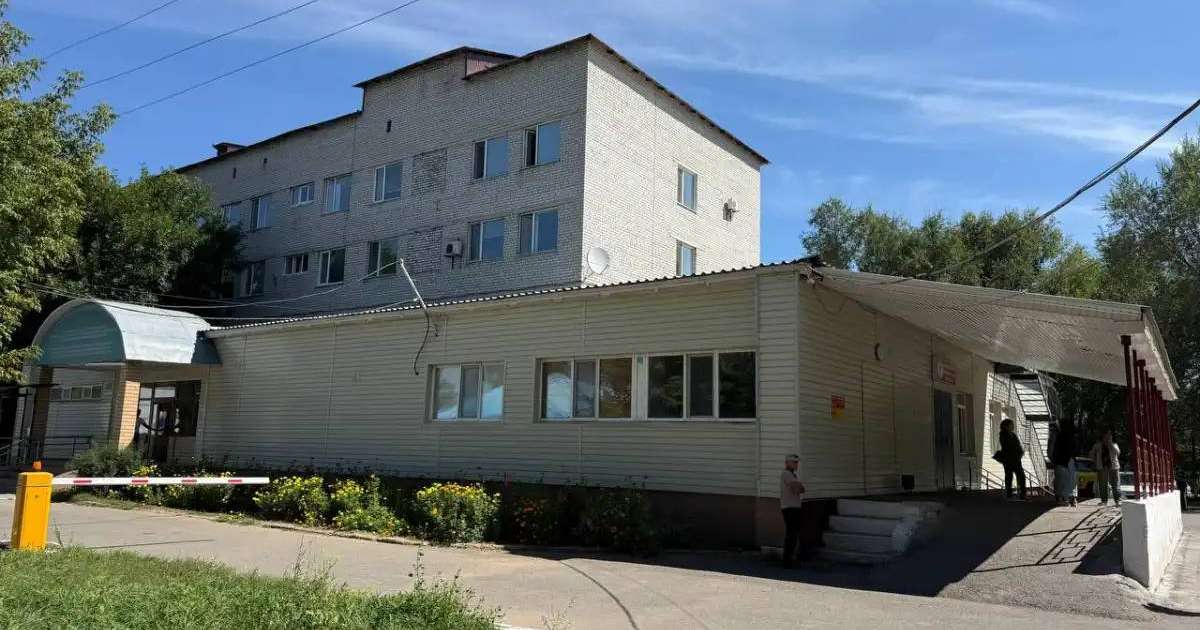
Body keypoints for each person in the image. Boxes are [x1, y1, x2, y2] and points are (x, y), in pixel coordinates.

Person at [780, 454, 806, 568]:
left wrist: (799, 486)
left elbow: (802, 489)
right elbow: (797, 489)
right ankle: (787, 560)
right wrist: (799, 486)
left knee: (793, 534)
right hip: (789, 508)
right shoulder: (786, 474)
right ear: (787, 463)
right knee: (791, 534)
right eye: (794, 462)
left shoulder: (793, 475)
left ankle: (790, 558)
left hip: (794, 507)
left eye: (797, 462)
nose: (796, 464)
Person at [1088, 430, 1121, 506]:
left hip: (1114, 467)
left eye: (1109, 436)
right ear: (1102, 437)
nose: (1108, 438)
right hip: (1102, 467)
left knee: (1115, 484)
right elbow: (1091, 454)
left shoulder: (1114, 444)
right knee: (1103, 484)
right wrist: (1095, 461)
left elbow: (1118, 453)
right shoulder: (1097, 445)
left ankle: (1118, 500)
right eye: (1106, 436)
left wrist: (1110, 445)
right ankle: (1104, 501)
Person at [1051, 419, 1078, 506]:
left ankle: (1063, 498)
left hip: (1061, 460)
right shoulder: (1072, 436)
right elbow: (1074, 449)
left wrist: (1053, 458)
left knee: (1061, 479)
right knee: (1070, 479)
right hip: (1069, 460)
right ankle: (1070, 498)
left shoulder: (1058, 436)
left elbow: (1054, 448)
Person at [997, 419, 1026, 500]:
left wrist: (1020, 452)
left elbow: (1018, 445)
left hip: (1016, 458)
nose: (1012, 426)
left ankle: (1022, 493)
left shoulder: (1013, 435)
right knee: (1009, 475)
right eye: (1011, 425)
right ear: (1006, 426)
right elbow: (1007, 446)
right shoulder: (1003, 435)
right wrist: (1016, 451)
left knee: (1020, 475)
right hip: (1008, 459)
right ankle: (1010, 493)